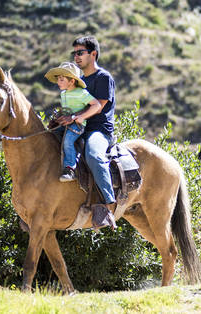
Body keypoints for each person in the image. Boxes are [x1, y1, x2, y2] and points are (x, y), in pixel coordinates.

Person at [56, 36, 118, 230]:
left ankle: (107, 205)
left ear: (93, 54)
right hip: (77, 127)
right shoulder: (78, 81)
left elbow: (99, 106)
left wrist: (75, 117)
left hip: (98, 129)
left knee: (93, 154)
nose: (76, 56)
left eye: (80, 52)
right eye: (74, 53)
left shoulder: (103, 77)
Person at [44, 62, 102, 182]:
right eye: (58, 79)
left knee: (68, 141)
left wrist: (81, 117)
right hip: (66, 124)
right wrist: (58, 118)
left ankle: (70, 168)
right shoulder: (63, 93)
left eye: (61, 79)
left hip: (77, 125)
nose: (58, 82)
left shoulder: (81, 93)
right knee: (50, 135)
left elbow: (96, 105)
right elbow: (67, 111)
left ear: (72, 81)